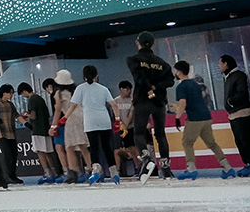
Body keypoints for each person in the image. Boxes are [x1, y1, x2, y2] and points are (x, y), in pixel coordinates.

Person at [170, 60, 230, 179]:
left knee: (187, 143)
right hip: (206, 116)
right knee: (212, 143)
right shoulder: (195, 84)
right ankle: (227, 167)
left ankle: (191, 169)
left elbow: (183, 103)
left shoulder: (181, 86)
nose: (175, 73)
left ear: (179, 72)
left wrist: (177, 117)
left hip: (194, 119)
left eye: (176, 71)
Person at [128, 32, 176, 178]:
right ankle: (166, 167)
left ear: (138, 43)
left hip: (142, 100)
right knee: (160, 134)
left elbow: (139, 77)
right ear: (153, 44)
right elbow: (170, 81)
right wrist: (155, 87)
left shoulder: (133, 60)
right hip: (159, 102)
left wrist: (148, 88)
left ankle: (145, 157)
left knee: (138, 132)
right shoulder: (163, 64)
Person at [71, 67, 119, 184]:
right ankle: (114, 173)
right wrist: (117, 120)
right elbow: (114, 105)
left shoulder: (80, 88)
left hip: (90, 121)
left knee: (94, 147)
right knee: (107, 147)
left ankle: (96, 170)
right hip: (104, 120)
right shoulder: (103, 89)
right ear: (96, 75)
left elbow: (73, 106)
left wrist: (64, 118)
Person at [221, 55, 250, 176]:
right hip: (234, 114)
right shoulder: (228, 77)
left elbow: (242, 92)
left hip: (242, 112)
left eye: (220, 64)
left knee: (246, 138)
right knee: (239, 140)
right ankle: (248, 163)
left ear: (226, 64)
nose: (219, 67)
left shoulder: (239, 75)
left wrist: (230, 101)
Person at [21, 79, 57, 182]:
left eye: (22, 94)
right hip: (45, 128)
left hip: (37, 129)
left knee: (40, 152)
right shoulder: (40, 98)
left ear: (24, 91)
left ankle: (47, 173)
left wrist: (26, 115)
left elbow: (33, 116)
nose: (23, 96)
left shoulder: (32, 99)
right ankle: (53, 172)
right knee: (47, 152)